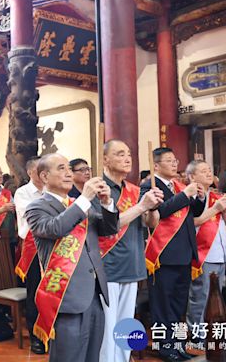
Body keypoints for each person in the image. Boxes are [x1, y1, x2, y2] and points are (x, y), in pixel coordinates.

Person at [25, 153, 119, 362]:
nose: (68, 173)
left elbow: (109, 229)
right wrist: (85, 199)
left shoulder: (78, 204)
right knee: (69, 357)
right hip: (66, 295)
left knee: (91, 356)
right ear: (44, 176)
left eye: (69, 168)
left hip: (94, 293)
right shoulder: (37, 207)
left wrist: (107, 202)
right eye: (61, 168)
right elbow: (55, 228)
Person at [96, 140, 164, 362]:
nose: (127, 158)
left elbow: (151, 223)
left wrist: (152, 207)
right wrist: (142, 206)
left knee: (125, 326)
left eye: (129, 154)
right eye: (119, 154)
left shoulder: (134, 190)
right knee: (108, 327)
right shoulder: (98, 189)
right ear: (105, 159)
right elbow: (110, 226)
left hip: (132, 264)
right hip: (108, 267)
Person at [141, 148, 206, 361]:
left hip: (185, 254)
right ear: (156, 165)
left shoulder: (178, 186)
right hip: (163, 256)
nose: (174, 163)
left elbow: (193, 213)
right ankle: (165, 348)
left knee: (179, 304)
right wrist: (185, 195)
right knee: (163, 305)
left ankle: (177, 344)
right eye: (169, 160)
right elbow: (159, 214)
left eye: (175, 159)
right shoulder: (149, 186)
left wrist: (200, 199)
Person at [186, 160, 226, 340]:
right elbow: (192, 222)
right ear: (192, 177)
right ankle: (197, 336)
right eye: (203, 171)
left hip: (222, 253)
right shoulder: (191, 197)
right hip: (205, 254)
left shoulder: (216, 195)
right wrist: (215, 209)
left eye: (210, 170)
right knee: (201, 297)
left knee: (219, 298)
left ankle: (216, 335)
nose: (209, 173)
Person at [13, 156, 45, 354]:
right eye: (40, 170)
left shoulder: (52, 189)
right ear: (31, 172)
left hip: (55, 247)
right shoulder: (22, 193)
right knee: (35, 293)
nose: (44, 174)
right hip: (33, 248)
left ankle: (51, 332)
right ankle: (36, 336)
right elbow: (35, 216)